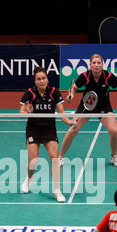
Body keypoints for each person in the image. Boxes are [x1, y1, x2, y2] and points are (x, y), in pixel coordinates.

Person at [59, 54, 117, 168]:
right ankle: (59, 157)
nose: (96, 65)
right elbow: (74, 88)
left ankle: (113, 156)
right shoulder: (84, 76)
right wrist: (71, 94)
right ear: (90, 65)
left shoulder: (108, 76)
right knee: (72, 130)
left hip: (103, 107)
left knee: (114, 131)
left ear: (102, 64)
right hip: (86, 106)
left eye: (98, 63)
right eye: (94, 63)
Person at [20, 66, 72, 202]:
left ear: (47, 79)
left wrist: (69, 123)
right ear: (35, 81)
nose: (42, 81)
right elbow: (21, 115)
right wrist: (28, 111)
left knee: (55, 158)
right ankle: (29, 178)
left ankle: (57, 190)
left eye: (44, 78)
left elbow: (61, 113)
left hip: (49, 129)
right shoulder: (29, 93)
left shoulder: (54, 92)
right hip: (33, 129)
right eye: (39, 79)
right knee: (33, 162)